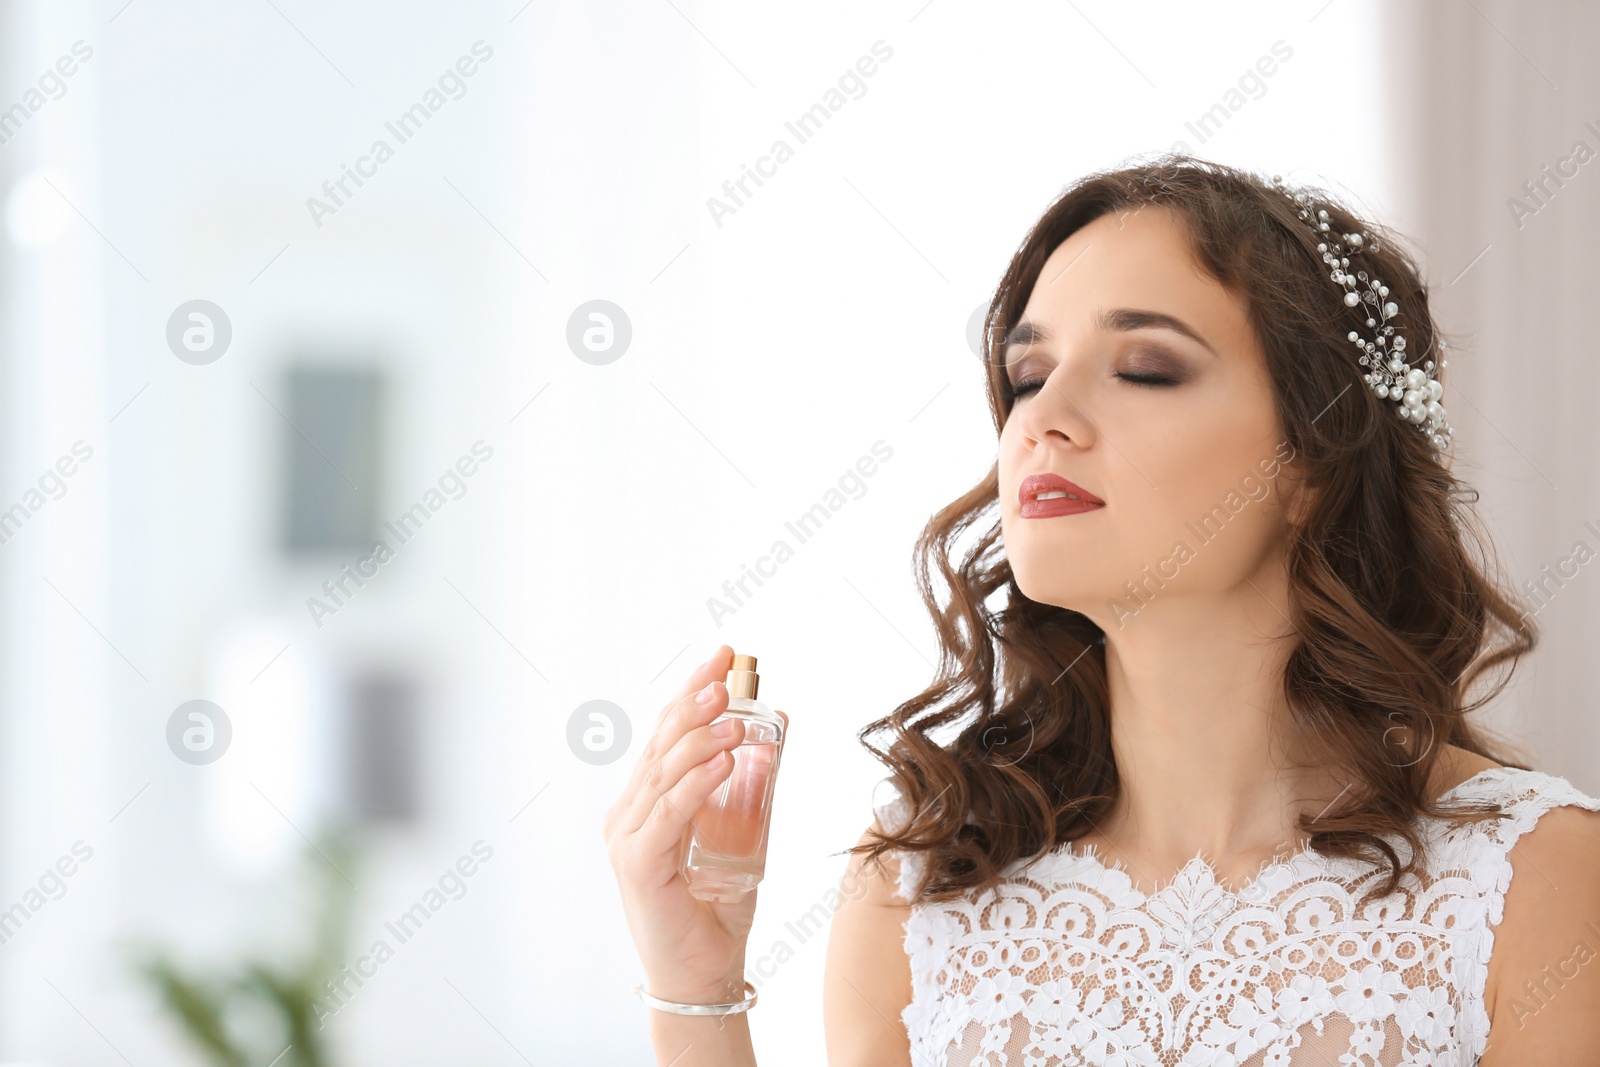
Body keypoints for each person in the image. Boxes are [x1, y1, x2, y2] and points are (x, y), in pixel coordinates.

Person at [603, 155, 1600, 1066]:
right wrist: (695, 992)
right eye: (1028, 374)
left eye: (1144, 369)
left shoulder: (1534, 884)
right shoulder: (925, 891)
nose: (1042, 416)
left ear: (1313, 463)